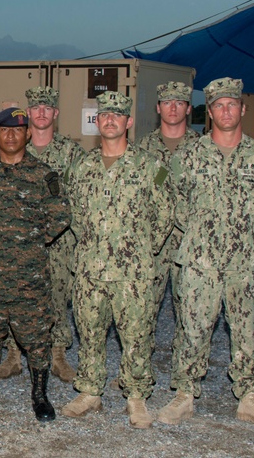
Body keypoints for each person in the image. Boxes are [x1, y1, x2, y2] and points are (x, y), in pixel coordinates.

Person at [156, 78, 254, 429]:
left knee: (246, 331)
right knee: (193, 329)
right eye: (218, 105)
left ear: (242, 109)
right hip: (201, 262)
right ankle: (184, 395)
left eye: (232, 104)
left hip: (246, 263)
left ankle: (249, 398)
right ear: (208, 112)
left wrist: (247, 237)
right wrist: (202, 237)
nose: (225, 110)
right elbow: (177, 205)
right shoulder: (188, 156)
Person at [59, 91, 173, 429]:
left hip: (133, 272)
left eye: (117, 114)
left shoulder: (153, 166)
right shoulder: (82, 166)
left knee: (136, 335)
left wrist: (139, 249)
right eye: (104, 115)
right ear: (97, 122)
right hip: (90, 268)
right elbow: (74, 214)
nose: (110, 119)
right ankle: (90, 392)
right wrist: (94, 246)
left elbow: (165, 214)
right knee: (90, 333)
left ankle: (136, 397)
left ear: (128, 122)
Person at [0, 108, 71, 421]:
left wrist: (32, 238)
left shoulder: (44, 174)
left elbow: (61, 214)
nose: (11, 135)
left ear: (27, 134)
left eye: (18, 129)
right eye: (4, 129)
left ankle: (40, 397)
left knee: (38, 338)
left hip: (31, 275)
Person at [21, 86, 87, 382]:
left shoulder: (72, 152)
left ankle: (58, 354)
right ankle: (13, 353)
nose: (41, 113)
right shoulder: (16, 147)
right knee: (19, 293)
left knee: (59, 295)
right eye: (36, 108)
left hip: (61, 241)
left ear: (55, 113)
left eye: (47, 108)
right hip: (22, 240)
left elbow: (79, 195)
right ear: (29, 112)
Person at [134, 81, 199, 366]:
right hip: (154, 245)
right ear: (158, 108)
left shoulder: (202, 148)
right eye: (167, 102)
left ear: (188, 108)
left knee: (189, 309)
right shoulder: (142, 148)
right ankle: (138, 367)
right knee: (144, 307)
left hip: (190, 243)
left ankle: (184, 370)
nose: (173, 107)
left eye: (179, 102)